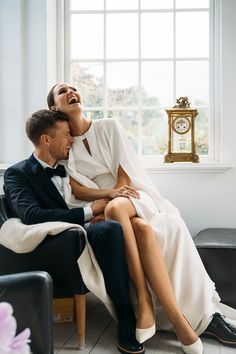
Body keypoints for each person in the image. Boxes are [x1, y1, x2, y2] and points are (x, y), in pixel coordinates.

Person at [46, 82, 236, 354]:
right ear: (54, 107)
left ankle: (146, 304)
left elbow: (125, 173)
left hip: (135, 194)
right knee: (142, 230)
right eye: (62, 91)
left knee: (117, 210)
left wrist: (114, 195)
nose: (71, 91)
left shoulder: (108, 126)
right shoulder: (65, 146)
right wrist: (109, 195)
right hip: (109, 199)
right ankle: (178, 321)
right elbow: (77, 189)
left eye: (73, 88)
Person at [3, 110, 145, 354]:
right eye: (67, 134)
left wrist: (104, 208)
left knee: (113, 228)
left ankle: (129, 315)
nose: (72, 140)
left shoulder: (73, 165)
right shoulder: (18, 173)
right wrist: (90, 212)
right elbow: (31, 216)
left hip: (88, 228)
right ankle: (127, 314)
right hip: (59, 241)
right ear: (46, 139)